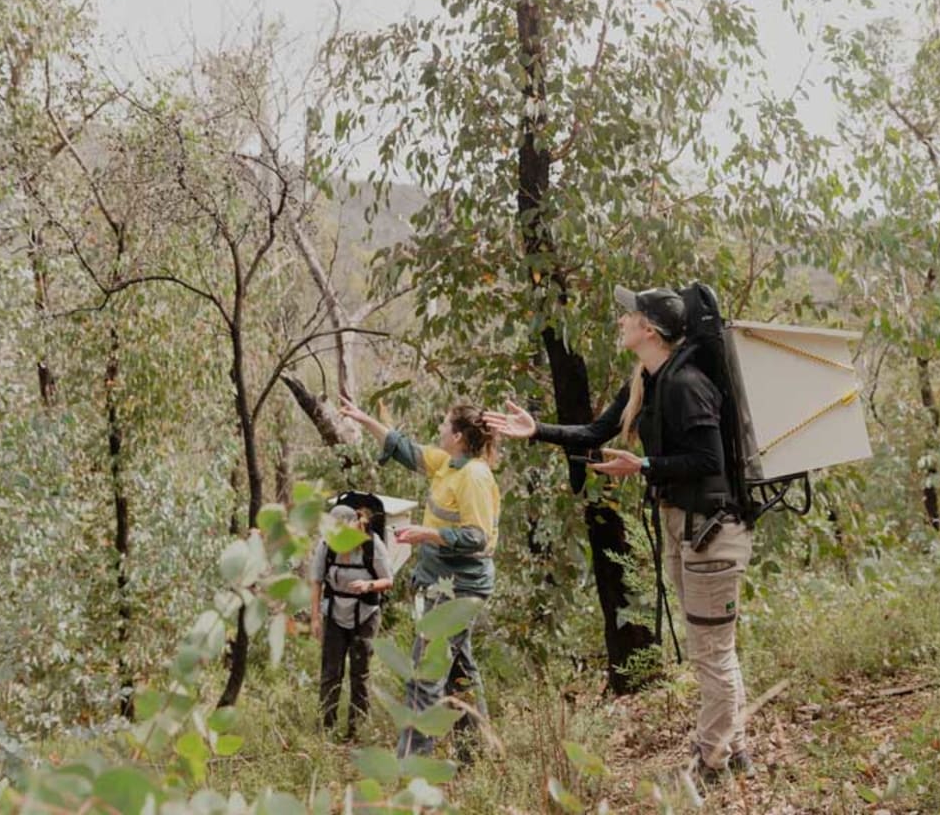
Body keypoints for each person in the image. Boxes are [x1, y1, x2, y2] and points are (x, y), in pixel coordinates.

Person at [483, 285, 754, 782]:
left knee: (711, 653)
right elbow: (594, 432)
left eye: (630, 315)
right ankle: (733, 752)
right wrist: (536, 429)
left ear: (649, 328)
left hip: (711, 532)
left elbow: (708, 460)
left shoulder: (685, 384)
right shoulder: (647, 381)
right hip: (687, 527)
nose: (622, 321)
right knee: (713, 649)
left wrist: (644, 465)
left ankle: (711, 763)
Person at [338, 397, 500, 761]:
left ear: (458, 436)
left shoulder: (474, 477)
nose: (439, 429)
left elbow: (477, 536)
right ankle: (476, 753)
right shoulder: (448, 464)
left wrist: (426, 534)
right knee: (460, 672)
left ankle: (411, 765)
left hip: (458, 587)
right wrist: (364, 420)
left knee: (425, 675)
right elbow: (406, 450)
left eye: (444, 424)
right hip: (441, 581)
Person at [309, 503, 395, 742]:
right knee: (330, 673)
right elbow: (316, 581)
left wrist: (369, 585)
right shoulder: (326, 546)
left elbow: (388, 580)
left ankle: (356, 732)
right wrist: (315, 617)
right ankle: (325, 730)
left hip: (365, 614)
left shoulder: (372, 545)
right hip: (334, 613)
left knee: (360, 673)